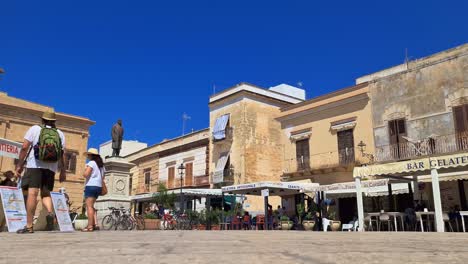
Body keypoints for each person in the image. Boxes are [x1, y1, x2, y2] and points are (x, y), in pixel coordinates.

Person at [15, 111, 66, 234]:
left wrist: (19, 164)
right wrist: (63, 170)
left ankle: (29, 226)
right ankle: (50, 213)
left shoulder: (35, 129)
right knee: (46, 194)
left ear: (43, 120)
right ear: (54, 121)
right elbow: (63, 154)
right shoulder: (60, 133)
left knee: (32, 193)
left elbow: (24, 147)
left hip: (35, 165)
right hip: (51, 168)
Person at [81, 148, 105, 232]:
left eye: (88, 154)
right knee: (92, 206)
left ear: (91, 155)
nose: (87, 156)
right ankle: (94, 224)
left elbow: (86, 174)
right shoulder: (101, 166)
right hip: (98, 187)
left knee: (89, 206)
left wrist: (84, 170)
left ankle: (90, 226)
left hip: (91, 186)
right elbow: (103, 177)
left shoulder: (91, 163)